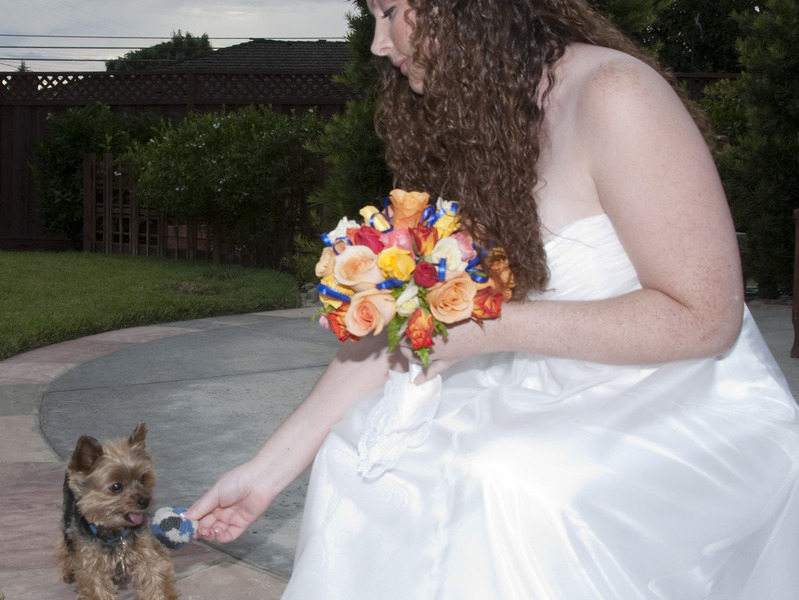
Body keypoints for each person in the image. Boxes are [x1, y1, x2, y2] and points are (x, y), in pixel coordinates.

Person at [188, 0, 799, 597]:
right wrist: (266, 473)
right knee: (362, 451)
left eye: (390, 10)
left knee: (506, 481)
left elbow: (704, 318)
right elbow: (410, 319)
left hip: (676, 395)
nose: (377, 43)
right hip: (544, 380)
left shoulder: (614, 94)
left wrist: (494, 330)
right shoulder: (481, 118)